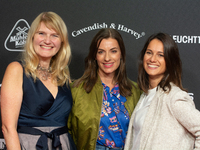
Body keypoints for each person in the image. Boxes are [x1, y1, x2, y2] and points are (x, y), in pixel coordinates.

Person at [1, 12, 76, 150]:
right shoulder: (17, 70)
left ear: (62, 42)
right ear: (32, 37)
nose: (47, 40)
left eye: (55, 35)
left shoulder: (63, 76)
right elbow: (7, 128)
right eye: (42, 33)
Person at [68, 28, 141, 150]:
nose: (107, 58)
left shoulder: (136, 91)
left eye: (113, 51)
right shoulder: (77, 90)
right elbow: (69, 133)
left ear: (121, 54)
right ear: (95, 56)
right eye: (101, 52)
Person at [124, 32, 200, 150]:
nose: (152, 59)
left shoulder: (174, 97)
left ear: (170, 61)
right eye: (149, 53)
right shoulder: (145, 95)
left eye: (160, 55)